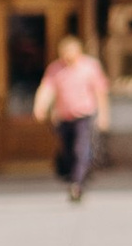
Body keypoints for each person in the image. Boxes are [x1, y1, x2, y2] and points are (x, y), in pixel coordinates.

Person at [31, 27, 108, 199]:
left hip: (84, 115)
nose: (67, 55)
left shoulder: (90, 67)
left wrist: (103, 115)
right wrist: (40, 105)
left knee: (80, 149)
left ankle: (77, 185)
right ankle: (75, 175)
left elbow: (100, 92)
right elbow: (47, 88)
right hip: (64, 117)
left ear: (78, 50)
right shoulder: (55, 68)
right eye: (64, 51)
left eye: (70, 51)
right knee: (68, 151)